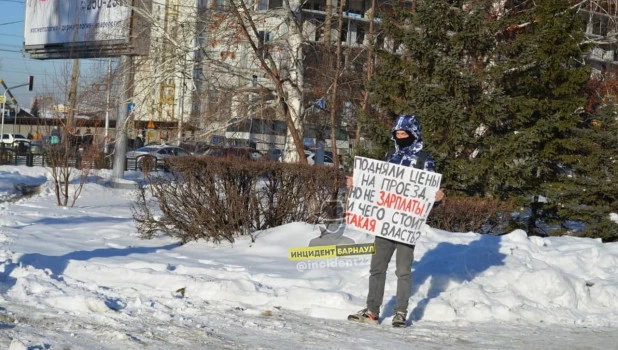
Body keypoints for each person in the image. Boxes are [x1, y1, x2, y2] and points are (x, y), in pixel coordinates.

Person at [347, 114, 444, 328]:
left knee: (403, 270)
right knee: (377, 267)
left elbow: (428, 196)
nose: (400, 137)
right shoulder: (390, 155)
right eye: (397, 134)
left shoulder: (423, 160)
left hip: (406, 224)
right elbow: (378, 184)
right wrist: (359, 183)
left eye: (404, 133)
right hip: (385, 222)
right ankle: (372, 310)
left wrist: (436, 199)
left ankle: (400, 312)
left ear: (413, 134)